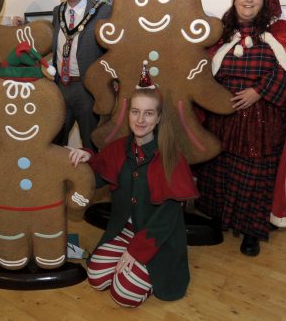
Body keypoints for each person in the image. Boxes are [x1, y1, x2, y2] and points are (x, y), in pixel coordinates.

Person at [193, 0, 286, 257]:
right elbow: (206, 68)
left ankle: (251, 232)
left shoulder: (280, 31)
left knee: (254, 176)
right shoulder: (222, 31)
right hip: (223, 115)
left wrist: (258, 91)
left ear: (265, 1)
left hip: (261, 119)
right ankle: (220, 217)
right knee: (220, 169)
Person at [69, 62, 198, 307]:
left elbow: (168, 215)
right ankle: (130, 269)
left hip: (157, 237)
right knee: (96, 277)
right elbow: (97, 173)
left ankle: (145, 276)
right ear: (128, 113)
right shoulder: (119, 149)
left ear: (159, 117)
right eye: (135, 112)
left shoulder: (171, 156)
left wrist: (135, 252)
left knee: (124, 295)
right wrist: (86, 157)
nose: (140, 119)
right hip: (126, 229)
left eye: (148, 113)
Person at [52, 0, 112, 150]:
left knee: (91, 144)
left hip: (88, 90)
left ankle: (93, 180)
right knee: (54, 141)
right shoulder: (57, 12)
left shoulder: (103, 11)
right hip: (61, 87)